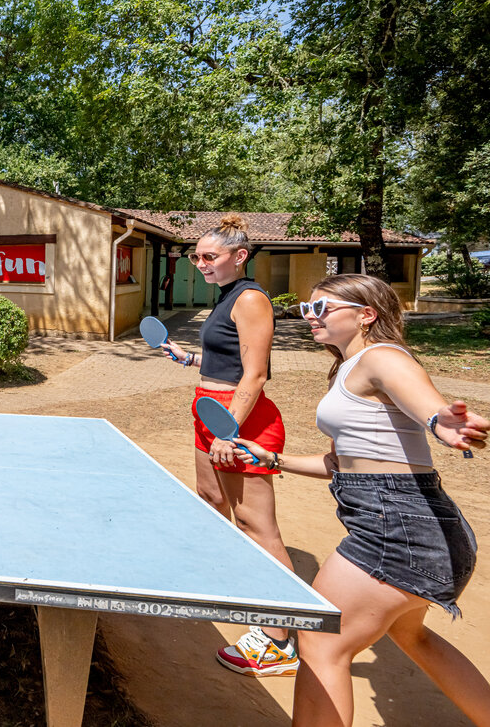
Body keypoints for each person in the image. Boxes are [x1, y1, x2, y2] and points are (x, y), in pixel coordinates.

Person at [227, 274, 490, 726]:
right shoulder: (350, 366)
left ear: (366, 315)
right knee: (413, 637)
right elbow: (344, 462)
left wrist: (440, 421)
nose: (311, 317)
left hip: (398, 527)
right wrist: (276, 459)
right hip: (424, 526)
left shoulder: (382, 357)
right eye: (308, 310)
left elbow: (426, 403)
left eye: (322, 308)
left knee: (320, 641)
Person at [160, 214, 301, 676]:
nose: (200, 263)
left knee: (256, 523)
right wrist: (190, 358)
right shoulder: (227, 297)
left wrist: (228, 431)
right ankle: (232, 582)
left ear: (239, 257)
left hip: (239, 418)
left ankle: (278, 640)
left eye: (209, 256)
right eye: (196, 256)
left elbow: (255, 373)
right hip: (211, 405)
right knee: (212, 499)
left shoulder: (251, 298)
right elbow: (229, 357)